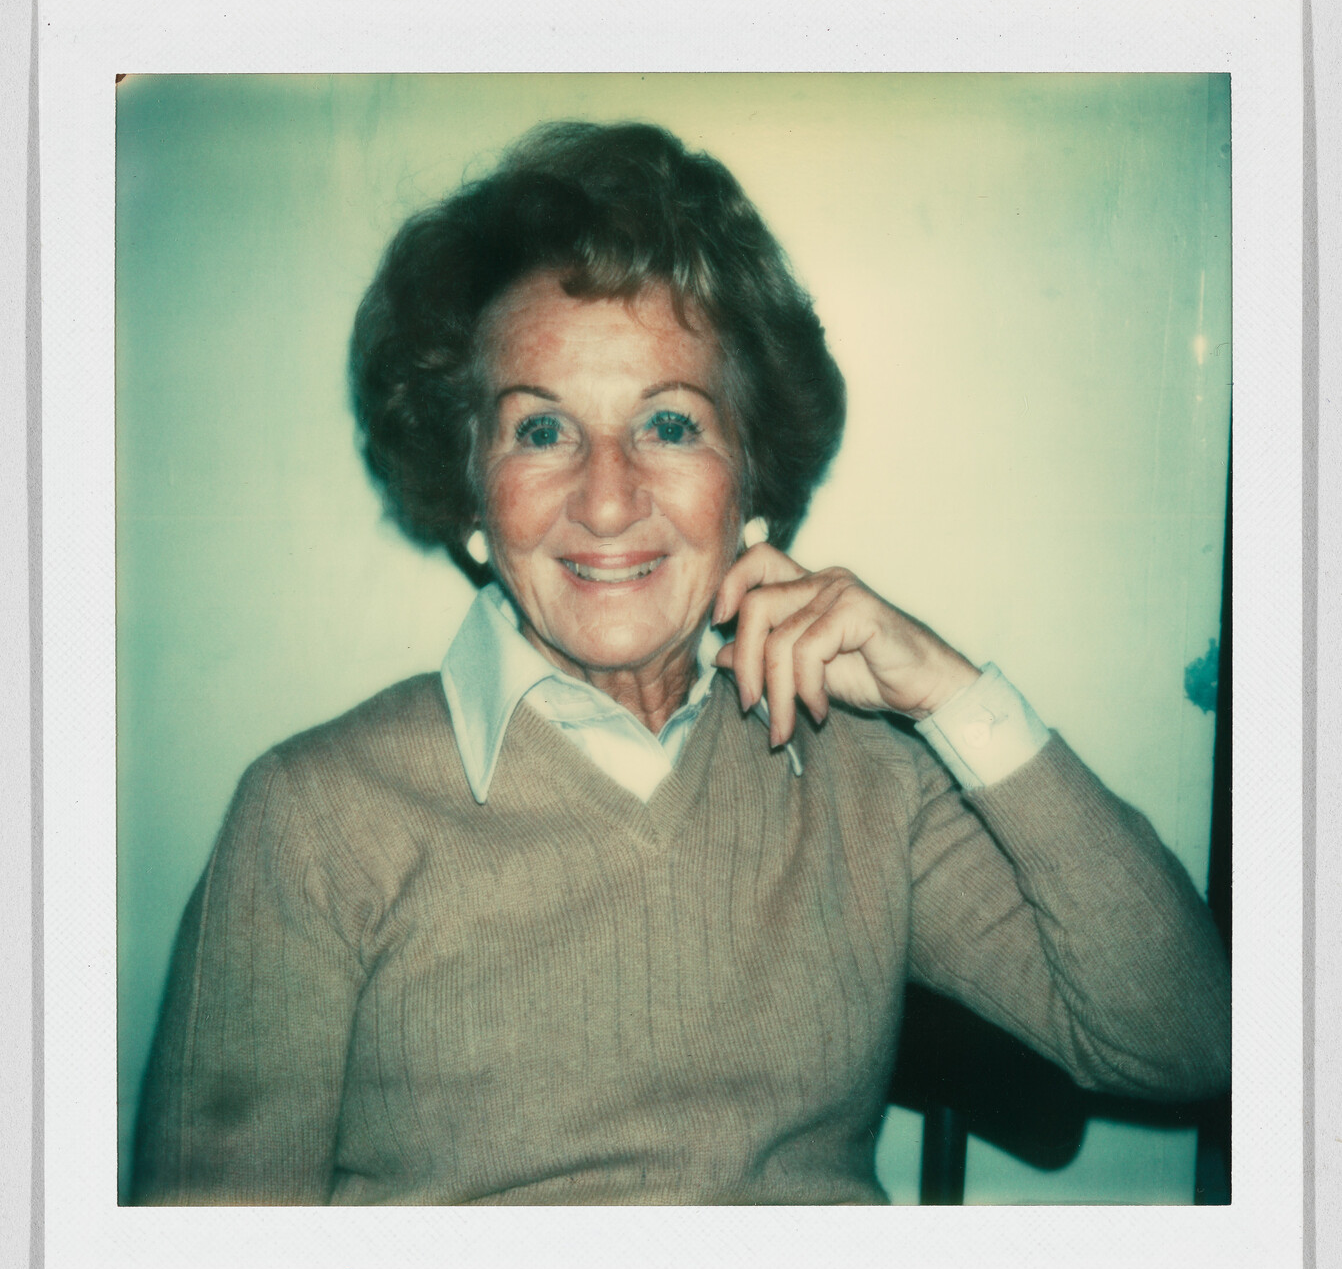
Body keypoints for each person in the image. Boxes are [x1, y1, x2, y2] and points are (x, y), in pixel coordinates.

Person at [131, 121, 1230, 1206]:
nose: (607, 499)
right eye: (541, 431)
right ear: (471, 487)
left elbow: (1191, 1042)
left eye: (667, 421)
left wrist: (948, 693)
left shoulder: (866, 780)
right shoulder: (316, 815)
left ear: (748, 477)